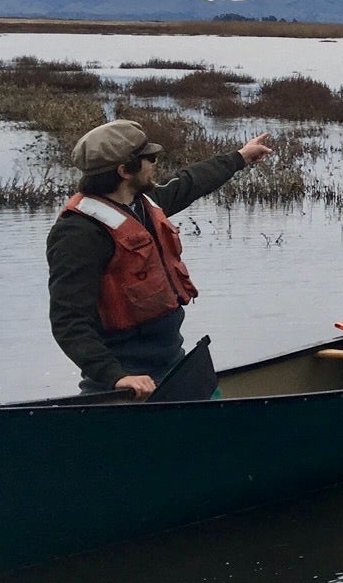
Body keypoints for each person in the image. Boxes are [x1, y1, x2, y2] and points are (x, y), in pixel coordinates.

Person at [47, 119, 275, 397]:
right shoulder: (78, 234)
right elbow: (68, 320)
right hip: (127, 380)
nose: (154, 163)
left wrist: (240, 157)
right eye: (149, 158)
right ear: (124, 171)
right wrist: (116, 377)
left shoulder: (141, 202)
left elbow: (190, 182)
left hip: (173, 364)